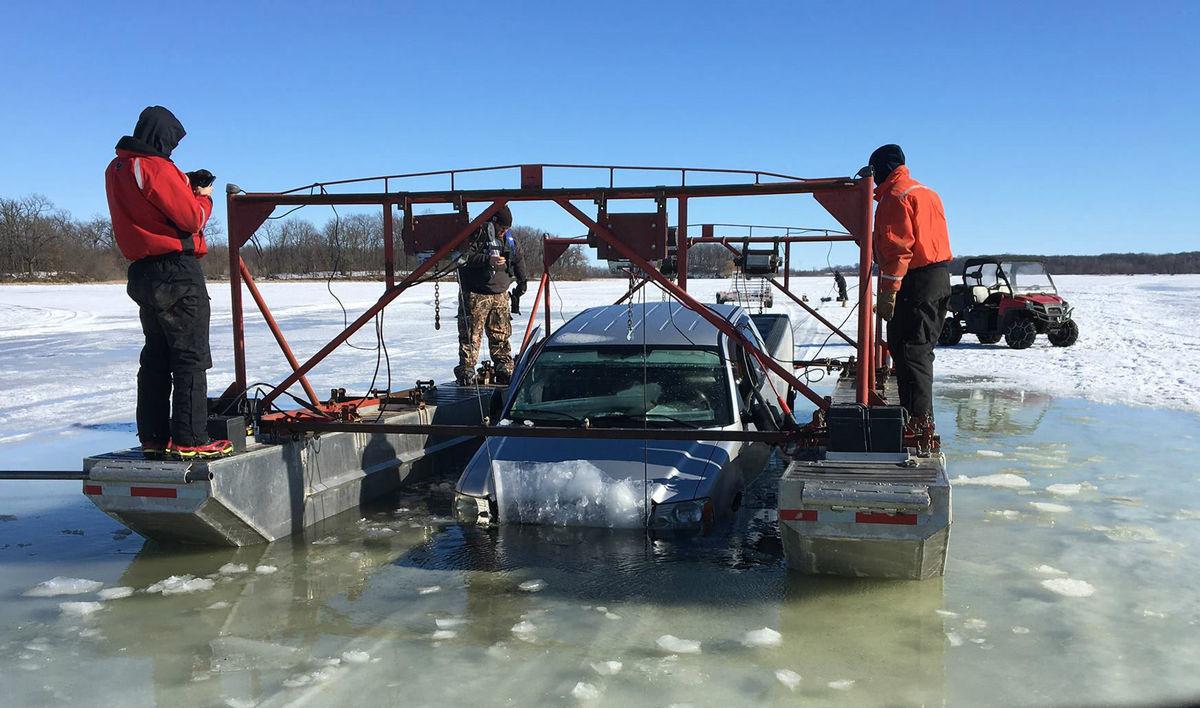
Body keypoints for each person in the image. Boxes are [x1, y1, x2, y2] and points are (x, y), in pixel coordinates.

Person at [105, 106, 232, 459]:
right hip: (176, 270)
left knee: (156, 356)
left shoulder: (117, 168)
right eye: (172, 142)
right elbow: (191, 219)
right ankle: (191, 439)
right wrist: (202, 196)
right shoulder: (156, 167)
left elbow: (149, 205)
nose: (173, 150)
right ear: (163, 137)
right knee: (190, 355)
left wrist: (183, 184)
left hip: (143, 272)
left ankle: (154, 436)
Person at [868, 144, 953, 431]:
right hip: (939, 278)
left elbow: (899, 250)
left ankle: (917, 427)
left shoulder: (894, 197)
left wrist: (889, 291)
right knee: (919, 350)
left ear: (880, 171)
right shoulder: (926, 192)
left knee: (909, 352)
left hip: (915, 282)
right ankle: (918, 419)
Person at [454, 206, 528, 386]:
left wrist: (522, 280)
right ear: (493, 222)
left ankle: (504, 367)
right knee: (471, 335)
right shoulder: (476, 235)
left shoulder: (509, 239)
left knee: (501, 334)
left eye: (507, 229)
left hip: (500, 294)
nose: (504, 232)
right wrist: (488, 260)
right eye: (502, 228)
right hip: (475, 293)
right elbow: (463, 258)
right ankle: (467, 370)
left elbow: (518, 259)